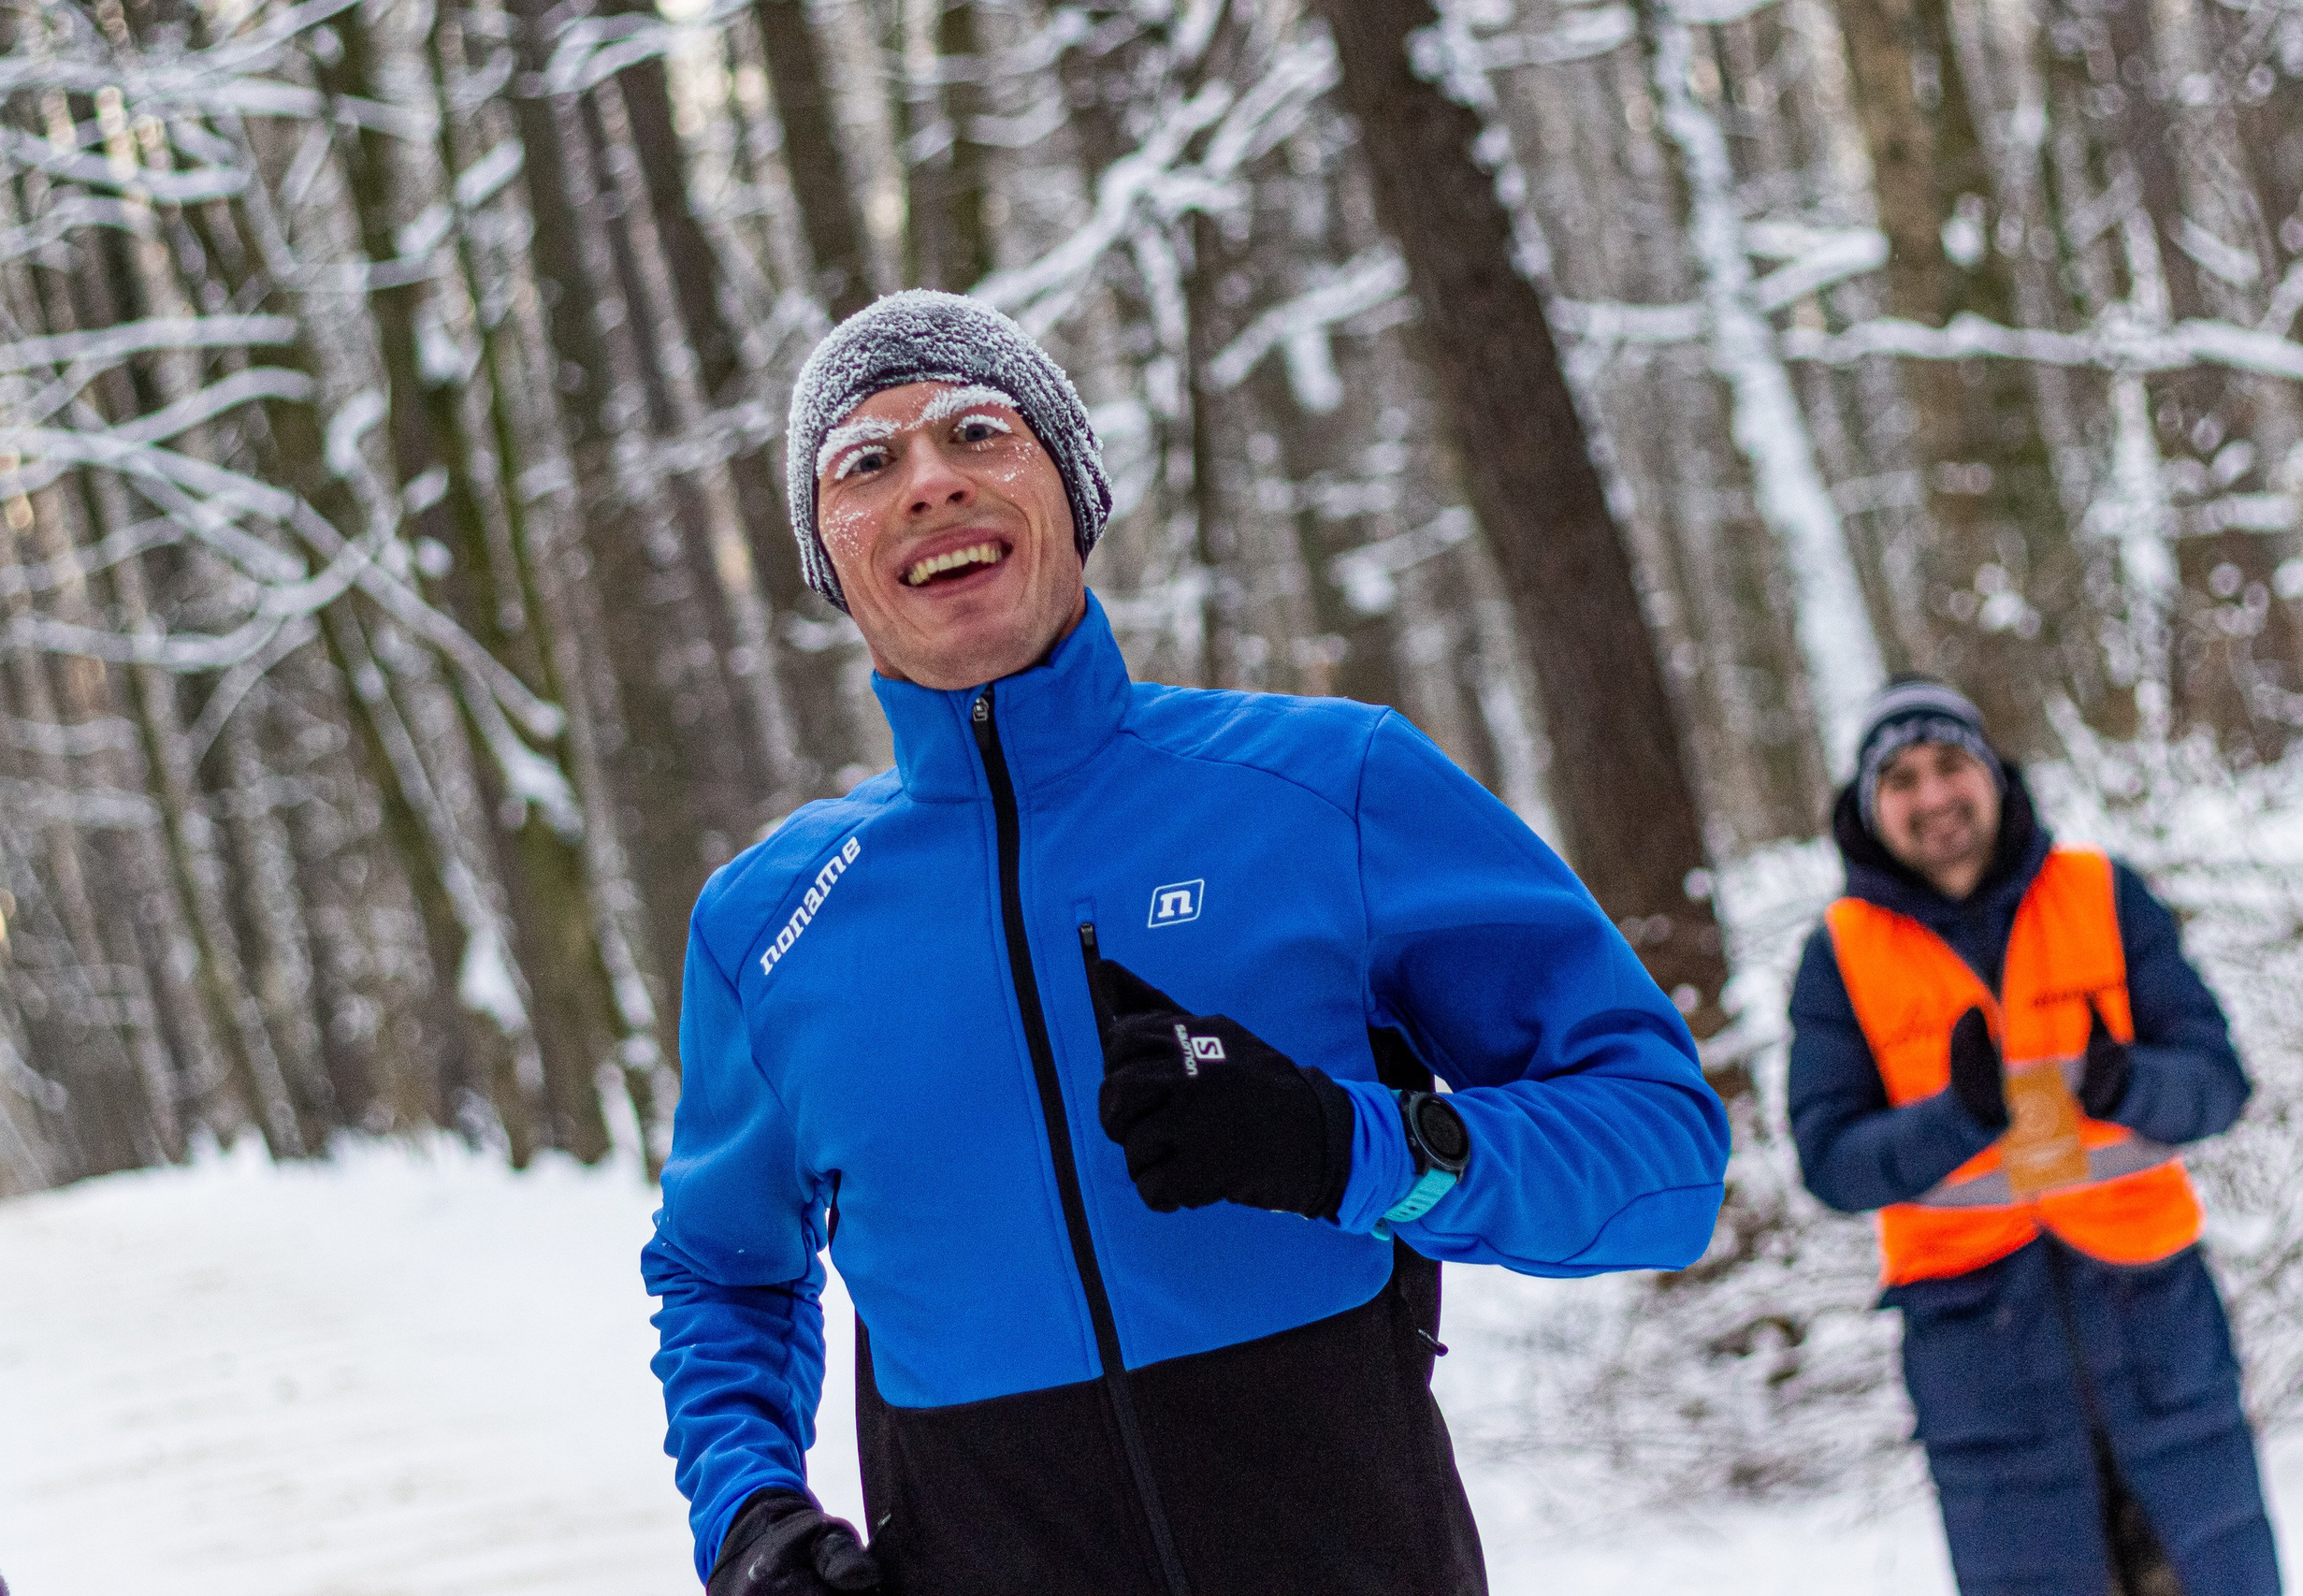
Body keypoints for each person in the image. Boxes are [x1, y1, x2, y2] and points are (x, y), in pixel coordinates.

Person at [640, 291, 1732, 1596]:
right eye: (865, 463)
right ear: (831, 554)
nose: (928, 481)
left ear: (1075, 490)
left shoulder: (1333, 786)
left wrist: (1353, 1146)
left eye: (978, 432)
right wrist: (752, 1517)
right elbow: (722, 1273)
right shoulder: (769, 925)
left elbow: (1665, 1159)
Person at [1788, 677, 2280, 1596]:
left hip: (2156, 1326)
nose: (1932, 796)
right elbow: (1830, 1161)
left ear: (1992, 775)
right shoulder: (1839, 952)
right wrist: (1956, 1117)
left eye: (1948, 765)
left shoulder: (2102, 891)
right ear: (1869, 806)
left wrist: (2127, 1082)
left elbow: (2217, 1084)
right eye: (1900, 777)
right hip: (1979, 1361)